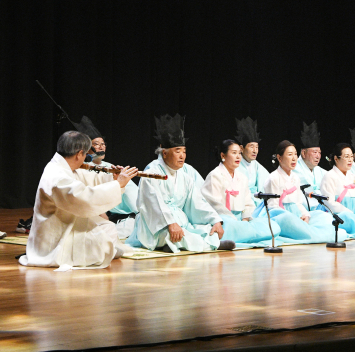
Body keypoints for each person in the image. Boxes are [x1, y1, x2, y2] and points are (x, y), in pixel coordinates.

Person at [19, 131, 138, 271]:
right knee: (104, 245)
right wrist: (118, 185)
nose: (86, 158)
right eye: (85, 154)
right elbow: (84, 198)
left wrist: (113, 178)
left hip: (66, 223)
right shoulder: (57, 175)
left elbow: (90, 179)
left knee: (108, 229)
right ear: (79, 154)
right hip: (55, 237)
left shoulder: (64, 167)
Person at [126, 114, 235, 253]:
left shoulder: (185, 177)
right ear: (164, 153)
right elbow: (153, 204)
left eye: (184, 151)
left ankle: (179, 244)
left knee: (205, 228)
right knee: (171, 234)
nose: (182, 156)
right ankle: (210, 244)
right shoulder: (151, 173)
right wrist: (170, 223)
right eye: (177, 151)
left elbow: (197, 202)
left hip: (181, 224)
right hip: (156, 225)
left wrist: (215, 220)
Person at [257, 140, 347, 244]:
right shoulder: (273, 178)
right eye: (290, 155)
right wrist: (292, 217)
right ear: (279, 158)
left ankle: (319, 232)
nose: (294, 158)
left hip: (296, 214)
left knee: (323, 216)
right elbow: (273, 208)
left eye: (295, 154)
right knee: (293, 222)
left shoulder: (295, 177)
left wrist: (305, 215)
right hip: (281, 217)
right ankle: (318, 235)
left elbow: (298, 203)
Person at [201, 139, 282, 247]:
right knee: (229, 225)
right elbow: (215, 205)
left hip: (241, 220)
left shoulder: (242, 178)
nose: (238, 157)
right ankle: (239, 236)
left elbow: (248, 203)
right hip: (224, 219)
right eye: (234, 153)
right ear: (223, 156)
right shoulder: (214, 176)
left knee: (273, 227)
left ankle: (242, 235)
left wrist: (244, 219)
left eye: (239, 153)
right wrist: (235, 221)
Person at [234, 117, 270, 207]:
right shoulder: (235, 165)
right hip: (241, 202)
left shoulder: (257, 165)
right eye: (251, 146)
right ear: (241, 148)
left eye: (257, 147)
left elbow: (266, 183)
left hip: (257, 201)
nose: (255, 151)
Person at [292, 121, 326, 210]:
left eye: (319, 152)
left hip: (322, 207)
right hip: (303, 208)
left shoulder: (321, 171)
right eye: (315, 152)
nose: (318, 156)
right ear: (303, 153)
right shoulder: (294, 168)